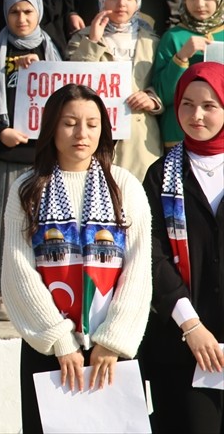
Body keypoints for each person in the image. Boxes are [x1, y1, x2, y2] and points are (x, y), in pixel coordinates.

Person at [1, 84, 151, 434]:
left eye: (92, 124)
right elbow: (19, 269)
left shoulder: (124, 186)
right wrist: (59, 339)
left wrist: (112, 339)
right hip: (48, 347)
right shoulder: (27, 188)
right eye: (69, 123)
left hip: (112, 351)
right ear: (51, 127)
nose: (82, 134)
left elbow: (138, 267)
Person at [140, 62, 224, 434]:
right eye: (187, 104)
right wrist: (192, 326)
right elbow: (153, 255)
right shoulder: (160, 175)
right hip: (182, 344)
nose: (196, 115)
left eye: (209, 105)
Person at [0, 0, 61, 320]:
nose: (21, 19)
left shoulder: (52, 50)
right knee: (0, 228)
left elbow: (66, 99)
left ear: (39, 13)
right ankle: (1, 292)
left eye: (27, 11)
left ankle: (42, 292)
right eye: (14, 12)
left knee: (43, 228)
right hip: (3, 155)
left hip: (43, 158)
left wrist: (39, 71)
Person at [66, 0, 164, 181]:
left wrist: (152, 99)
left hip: (138, 139)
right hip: (95, 134)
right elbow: (74, 83)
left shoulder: (153, 41)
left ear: (138, 2)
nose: (121, 3)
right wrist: (93, 41)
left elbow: (164, 83)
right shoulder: (81, 38)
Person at [153, 0, 224, 146]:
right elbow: (162, 95)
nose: (199, 4)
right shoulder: (173, 37)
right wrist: (181, 58)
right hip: (179, 136)